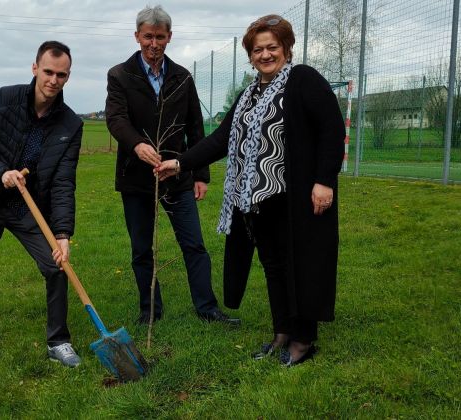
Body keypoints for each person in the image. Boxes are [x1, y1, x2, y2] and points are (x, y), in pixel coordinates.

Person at [156, 15, 345, 366]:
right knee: (274, 266)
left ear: (286, 48)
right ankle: (282, 333)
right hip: (258, 200)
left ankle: (303, 341)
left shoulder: (304, 80)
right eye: (258, 49)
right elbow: (219, 140)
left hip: (298, 196)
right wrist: (180, 163)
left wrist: (324, 181)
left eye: (272, 47)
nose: (265, 54)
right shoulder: (249, 95)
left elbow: (331, 130)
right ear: (250, 55)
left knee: (298, 266)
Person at [0, 41, 83, 384]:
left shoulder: (70, 124)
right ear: (34, 68)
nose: (54, 80)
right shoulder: (4, 99)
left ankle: (58, 341)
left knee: (57, 266)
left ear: (68, 76)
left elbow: (62, 182)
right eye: (48, 72)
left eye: (61, 74)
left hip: (27, 208)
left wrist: (62, 234)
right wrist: (2, 171)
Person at [105, 5, 239, 326]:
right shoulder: (120, 75)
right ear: (137, 36)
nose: (154, 43)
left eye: (160, 37)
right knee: (142, 250)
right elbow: (116, 118)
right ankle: (150, 311)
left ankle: (207, 309)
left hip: (178, 177)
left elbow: (195, 127)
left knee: (194, 244)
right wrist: (137, 144)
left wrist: (201, 174)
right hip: (136, 179)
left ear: (169, 37)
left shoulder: (182, 77)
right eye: (148, 36)